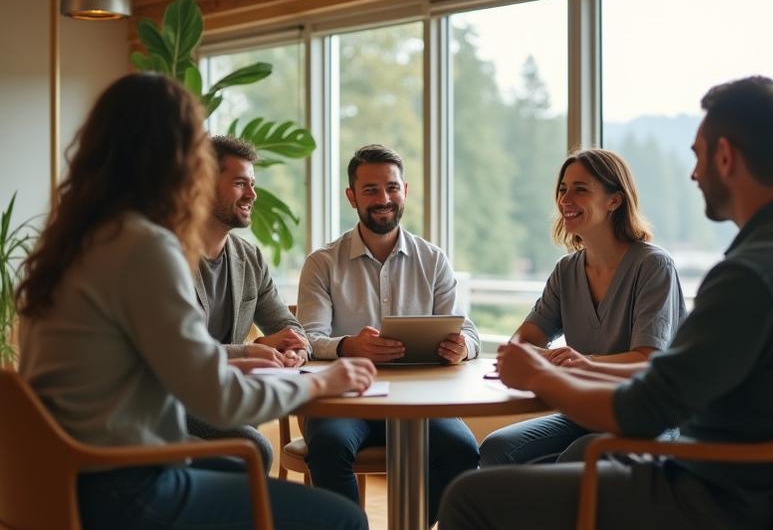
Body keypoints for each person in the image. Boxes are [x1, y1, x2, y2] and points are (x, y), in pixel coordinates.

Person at [438, 76, 773, 530]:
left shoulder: (748, 276)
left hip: (714, 495)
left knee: (468, 496)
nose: (694, 173)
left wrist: (543, 373)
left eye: (698, 156)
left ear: (725, 156)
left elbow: (642, 411)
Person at [15, 73, 375, 530]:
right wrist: (323, 384)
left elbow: (134, 369)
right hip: (125, 492)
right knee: (342, 519)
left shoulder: (71, 242)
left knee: (235, 466)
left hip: (56, 480)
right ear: (177, 158)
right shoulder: (143, 246)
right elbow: (221, 402)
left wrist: (235, 362)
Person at [296, 143, 481, 523]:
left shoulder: (434, 260)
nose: (384, 199)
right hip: (344, 401)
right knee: (329, 448)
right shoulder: (322, 263)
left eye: (392, 188)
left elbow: (470, 332)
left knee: (463, 451)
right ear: (352, 197)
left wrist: (463, 347)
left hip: (421, 402)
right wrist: (349, 346)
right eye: (371, 190)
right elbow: (308, 339)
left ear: (405, 191)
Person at [479, 148, 686, 467]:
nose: (565, 199)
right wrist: (542, 356)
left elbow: (649, 360)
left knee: (580, 456)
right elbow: (524, 341)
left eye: (580, 189)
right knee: (497, 447)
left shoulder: (654, 266)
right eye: (563, 189)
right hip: (585, 411)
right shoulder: (566, 271)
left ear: (614, 200)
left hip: (645, 419)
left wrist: (582, 362)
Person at [184, 134, 311, 473]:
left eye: (252, 184)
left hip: (225, 396)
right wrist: (249, 350)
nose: (252, 195)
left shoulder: (249, 258)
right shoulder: (169, 256)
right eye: (240, 183)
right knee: (252, 448)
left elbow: (289, 326)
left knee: (249, 447)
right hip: (175, 397)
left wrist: (294, 347)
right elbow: (179, 354)